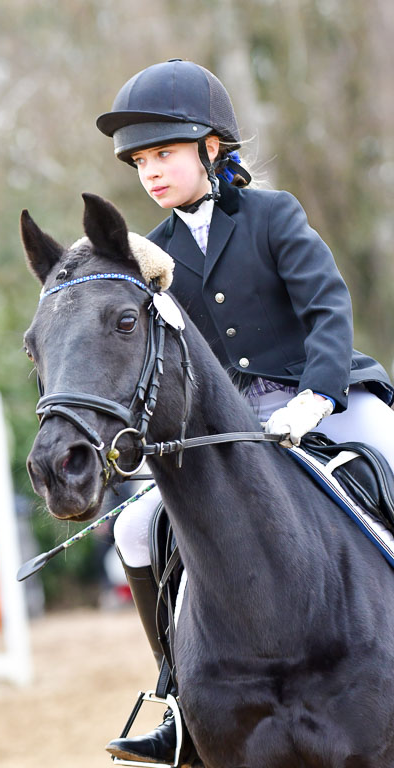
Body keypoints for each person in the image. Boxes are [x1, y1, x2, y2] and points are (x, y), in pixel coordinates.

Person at [96, 58, 394, 764]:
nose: (151, 173)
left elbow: (328, 307)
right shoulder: (154, 256)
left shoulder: (273, 214)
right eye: (140, 161)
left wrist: (315, 399)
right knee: (136, 529)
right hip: (229, 424)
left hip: (326, 394)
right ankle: (175, 702)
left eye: (164, 153)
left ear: (211, 148)